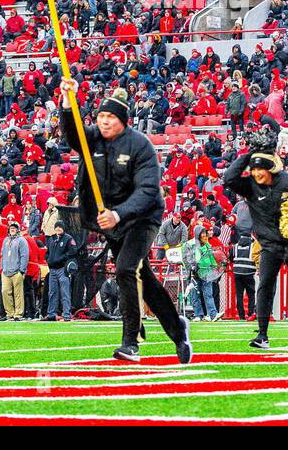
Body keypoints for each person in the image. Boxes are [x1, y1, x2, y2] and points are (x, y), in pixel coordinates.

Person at [60, 79, 191, 363]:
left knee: (125, 268)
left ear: (123, 120)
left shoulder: (140, 146)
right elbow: (74, 137)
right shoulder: (93, 137)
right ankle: (177, 329)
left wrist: (118, 214)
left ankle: (131, 342)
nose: (104, 122)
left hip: (142, 218)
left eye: (110, 117)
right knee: (143, 277)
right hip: (111, 221)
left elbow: (147, 191)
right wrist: (68, 103)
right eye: (101, 117)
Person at [221, 147, 288, 348]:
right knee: (264, 285)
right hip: (270, 245)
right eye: (252, 169)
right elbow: (228, 178)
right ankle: (262, 334)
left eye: (259, 168)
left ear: (271, 167)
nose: (256, 173)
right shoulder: (251, 186)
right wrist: (247, 155)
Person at [44, 219, 78, 321]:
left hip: (63, 269)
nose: (58, 228)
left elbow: (73, 251)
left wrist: (62, 258)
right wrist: (48, 260)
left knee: (65, 293)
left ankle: (66, 315)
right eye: (56, 227)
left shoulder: (68, 238)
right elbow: (47, 253)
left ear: (63, 228)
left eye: (60, 227)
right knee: (52, 293)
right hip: (52, 270)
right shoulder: (51, 239)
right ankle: (51, 314)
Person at [0, 220, 28, 321]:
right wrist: (2, 267)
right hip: (6, 271)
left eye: (15, 228)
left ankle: (18, 314)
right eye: (11, 228)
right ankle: (9, 313)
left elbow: (25, 256)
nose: (12, 229)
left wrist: (22, 270)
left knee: (18, 293)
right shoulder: (6, 240)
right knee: (5, 292)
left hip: (17, 271)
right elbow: (2, 255)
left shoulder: (22, 240)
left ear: (18, 230)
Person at [230, 233, 257, 321]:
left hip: (237, 272)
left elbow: (230, 257)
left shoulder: (235, 246)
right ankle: (250, 313)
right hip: (249, 273)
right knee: (251, 294)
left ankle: (241, 315)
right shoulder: (253, 246)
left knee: (239, 294)